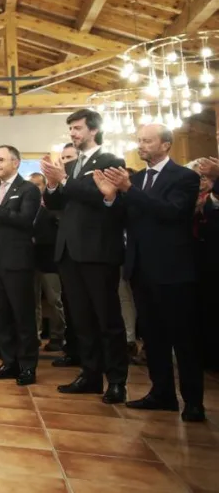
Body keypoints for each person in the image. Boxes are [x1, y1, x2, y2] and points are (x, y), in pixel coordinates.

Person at [93, 125, 204, 422]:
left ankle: (193, 401)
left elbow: (172, 212)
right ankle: (162, 393)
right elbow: (124, 218)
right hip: (140, 268)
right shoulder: (138, 179)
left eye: (147, 141)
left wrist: (128, 190)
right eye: (139, 140)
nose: (141, 145)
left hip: (173, 269)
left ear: (166, 145)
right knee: (153, 337)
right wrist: (110, 198)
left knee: (183, 338)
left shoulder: (184, 177)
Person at [41, 109, 129, 404]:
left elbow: (97, 194)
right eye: (71, 129)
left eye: (78, 128)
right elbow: (54, 203)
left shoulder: (111, 160)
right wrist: (52, 183)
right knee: (81, 319)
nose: (73, 133)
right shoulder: (71, 165)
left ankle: (116, 380)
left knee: (107, 319)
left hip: (97, 249)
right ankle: (90, 375)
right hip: (69, 249)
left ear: (93, 129)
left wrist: (64, 180)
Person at [0, 146, 42, 386]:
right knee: (1, 315)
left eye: (1, 160)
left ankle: (27, 366)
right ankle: (9, 362)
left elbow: (25, 221)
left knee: (22, 316)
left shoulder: (28, 189)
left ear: (16, 163)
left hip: (16, 261)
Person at [30, 173, 66, 353]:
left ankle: (58, 336)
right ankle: (35, 335)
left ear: (45, 185)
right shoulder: (29, 206)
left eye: (38, 185)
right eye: (32, 185)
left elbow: (59, 228)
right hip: (31, 260)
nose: (35, 188)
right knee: (33, 301)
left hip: (50, 260)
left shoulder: (52, 205)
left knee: (54, 300)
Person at [189, 159, 219, 371]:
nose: (202, 183)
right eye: (198, 178)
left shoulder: (212, 201)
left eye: (205, 178)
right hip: (193, 265)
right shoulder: (188, 200)